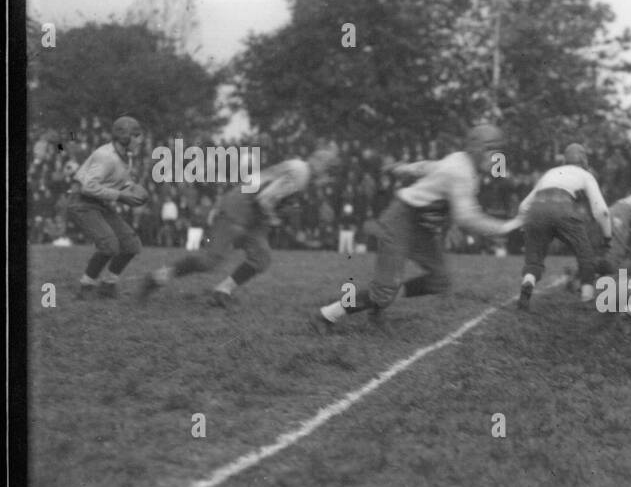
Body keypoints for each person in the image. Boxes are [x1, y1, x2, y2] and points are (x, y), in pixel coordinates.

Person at [311, 125, 519, 330]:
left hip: (421, 227)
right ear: (475, 147)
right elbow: (467, 218)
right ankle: (327, 315)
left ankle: (380, 305)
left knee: (440, 281)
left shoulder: (460, 161)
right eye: (491, 148)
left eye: (498, 149)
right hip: (401, 220)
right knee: (382, 292)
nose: (495, 156)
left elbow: (428, 167)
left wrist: (403, 168)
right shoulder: (460, 172)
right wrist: (506, 226)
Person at [142, 146, 339, 306]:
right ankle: (158, 276)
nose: (327, 178)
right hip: (241, 208)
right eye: (329, 171)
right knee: (209, 261)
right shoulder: (301, 173)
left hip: (250, 211)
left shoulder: (299, 168)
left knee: (261, 258)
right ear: (321, 164)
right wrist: (277, 220)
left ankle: (222, 291)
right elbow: (265, 200)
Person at [515, 143, 611, 309]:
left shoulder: (550, 173)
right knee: (585, 253)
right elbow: (601, 210)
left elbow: (524, 206)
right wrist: (607, 236)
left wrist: (525, 225)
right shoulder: (585, 175)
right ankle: (587, 296)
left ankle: (528, 280)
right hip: (563, 207)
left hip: (536, 210)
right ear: (583, 159)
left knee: (534, 257)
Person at [66, 116, 149, 299]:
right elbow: (88, 187)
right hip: (82, 202)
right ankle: (85, 287)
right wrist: (121, 196)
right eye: (136, 135)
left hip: (100, 203)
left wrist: (132, 189)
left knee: (131, 245)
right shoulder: (106, 156)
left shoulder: (125, 156)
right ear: (124, 137)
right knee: (109, 246)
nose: (139, 140)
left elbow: (119, 181)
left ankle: (108, 285)